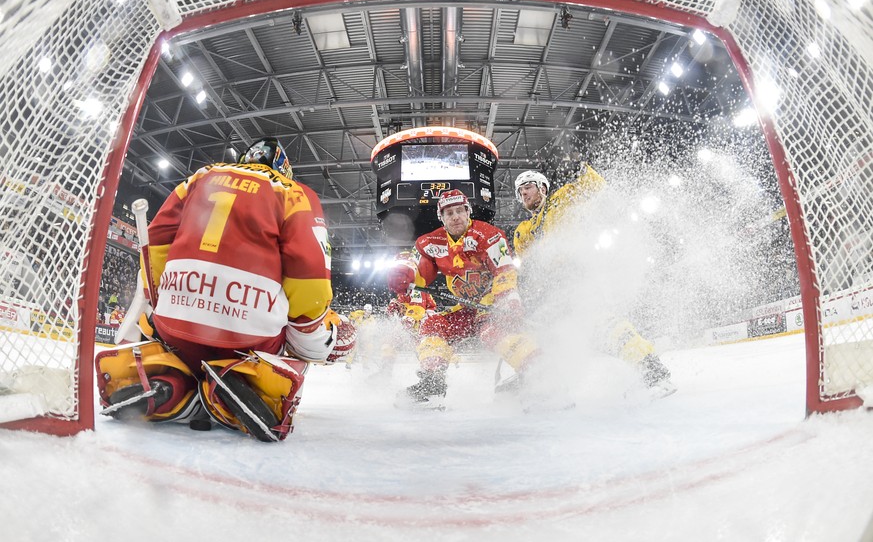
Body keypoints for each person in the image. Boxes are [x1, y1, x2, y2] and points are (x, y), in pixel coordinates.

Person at [95, 137, 356, 442]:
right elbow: (308, 275)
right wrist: (312, 331)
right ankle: (241, 388)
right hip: (245, 338)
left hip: (176, 325)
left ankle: (172, 383)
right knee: (304, 337)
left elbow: (155, 244)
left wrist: (167, 300)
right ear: (283, 168)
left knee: (157, 324)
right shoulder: (294, 193)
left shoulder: (201, 176)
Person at [387, 189, 560, 411]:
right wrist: (405, 273)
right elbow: (421, 271)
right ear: (442, 217)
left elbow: (504, 271)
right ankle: (432, 384)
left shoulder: (489, 235)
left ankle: (540, 377)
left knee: (490, 329)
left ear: (468, 212)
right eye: (449, 213)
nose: (455, 216)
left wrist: (508, 300)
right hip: (466, 306)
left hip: (493, 301)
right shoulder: (432, 242)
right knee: (433, 324)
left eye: (460, 210)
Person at [513, 168, 675, 396]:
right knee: (547, 338)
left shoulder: (560, 199)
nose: (524, 194)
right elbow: (528, 266)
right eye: (520, 191)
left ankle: (653, 371)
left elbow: (597, 188)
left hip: (576, 277)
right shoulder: (522, 231)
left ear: (542, 188)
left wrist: (580, 168)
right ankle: (536, 385)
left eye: (528, 187)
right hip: (550, 292)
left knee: (606, 326)